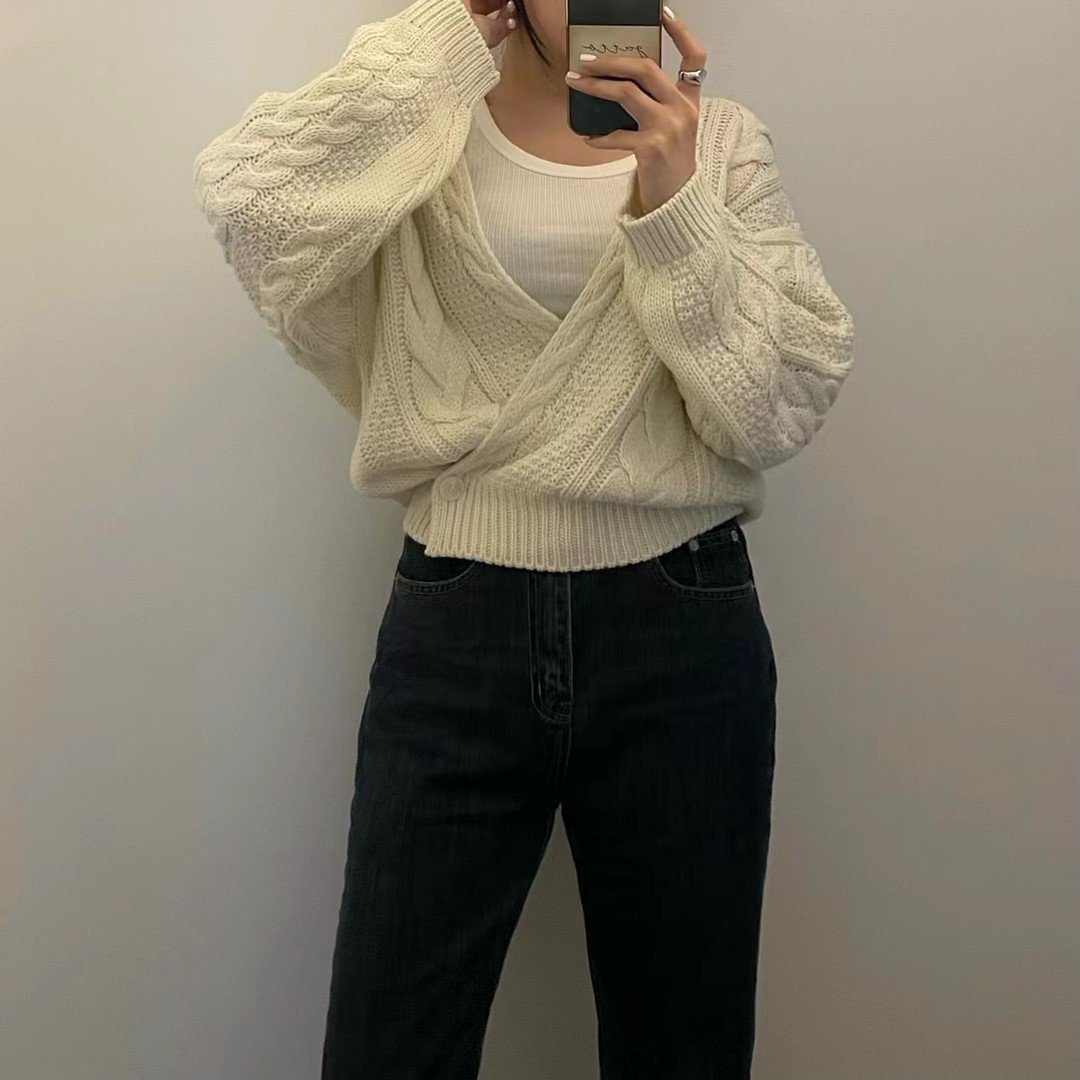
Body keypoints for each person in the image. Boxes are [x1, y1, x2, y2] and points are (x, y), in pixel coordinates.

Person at [192, 0, 856, 1075]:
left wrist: (678, 201)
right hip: (456, 625)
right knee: (388, 1044)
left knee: (682, 1047)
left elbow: (782, 405)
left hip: (682, 630)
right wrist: (436, 46)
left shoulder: (720, 142)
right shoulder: (423, 128)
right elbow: (251, 204)